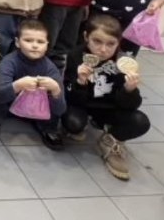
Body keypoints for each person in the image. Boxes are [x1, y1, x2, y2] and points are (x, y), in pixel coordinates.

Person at [62, 14, 150, 180]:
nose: (103, 49)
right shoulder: (76, 56)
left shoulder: (123, 63)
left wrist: (129, 90)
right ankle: (84, 124)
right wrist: (80, 82)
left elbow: (131, 106)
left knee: (141, 122)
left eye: (111, 44)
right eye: (97, 41)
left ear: (118, 42)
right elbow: (69, 97)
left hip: (111, 108)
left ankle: (110, 140)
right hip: (83, 104)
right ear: (86, 37)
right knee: (73, 123)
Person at [0, 20, 66, 149]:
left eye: (40, 42)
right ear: (17, 42)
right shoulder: (9, 61)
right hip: (11, 104)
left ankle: (49, 129)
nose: (35, 46)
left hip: (37, 108)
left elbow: (61, 109)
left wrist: (55, 90)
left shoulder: (50, 68)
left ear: (47, 45)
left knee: (55, 97)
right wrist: (17, 86)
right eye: (28, 40)